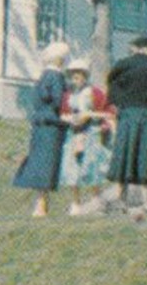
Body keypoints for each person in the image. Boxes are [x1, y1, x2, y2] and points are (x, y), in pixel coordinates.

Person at [106, 34, 147, 219]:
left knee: (124, 156)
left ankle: (121, 201)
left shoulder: (123, 65)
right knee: (145, 157)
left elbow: (112, 84)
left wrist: (117, 104)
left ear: (134, 47)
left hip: (127, 116)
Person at [13, 41, 71, 217]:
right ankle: (41, 205)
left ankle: (41, 204)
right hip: (52, 124)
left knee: (39, 160)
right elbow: (58, 100)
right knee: (47, 163)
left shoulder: (42, 77)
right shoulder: (56, 78)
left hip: (40, 123)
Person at [58, 58, 115, 214]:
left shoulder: (95, 93)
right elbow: (62, 114)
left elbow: (109, 113)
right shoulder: (68, 95)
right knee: (72, 168)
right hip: (74, 135)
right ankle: (76, 203)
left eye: (78, 76)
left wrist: (89, 115)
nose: (75, 80)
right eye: (72, 77)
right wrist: (69, 119)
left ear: (85, 76)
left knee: (93, 167)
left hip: (91, 134)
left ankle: (97, 200)